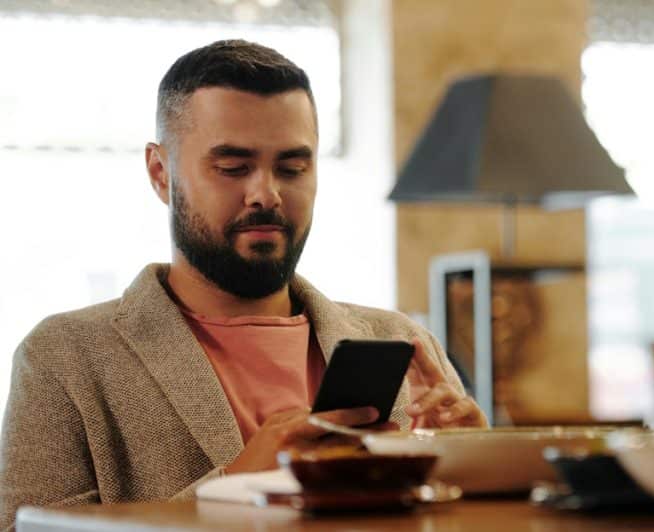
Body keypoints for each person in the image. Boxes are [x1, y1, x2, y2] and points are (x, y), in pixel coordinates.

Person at [0, 39, 486, 529]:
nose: (266, 194)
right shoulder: (64, 357)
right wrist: (235, 486)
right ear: (160, 173)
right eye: (233, 168)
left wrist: (481, 472)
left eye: (292, 168)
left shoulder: (402, 342)